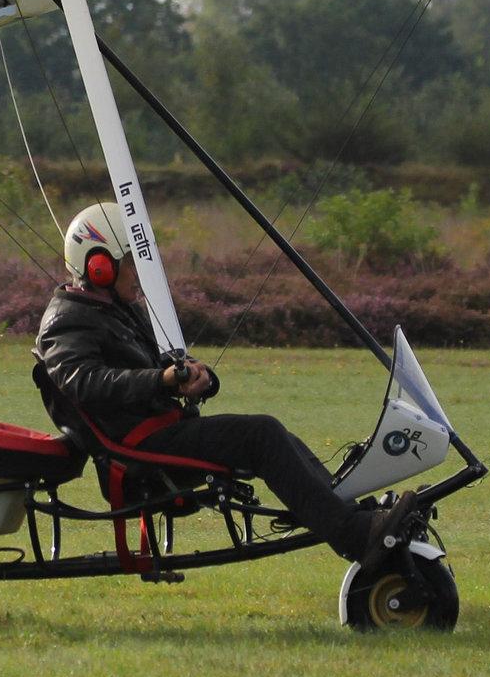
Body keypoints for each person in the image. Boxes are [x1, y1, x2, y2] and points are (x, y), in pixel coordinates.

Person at [34, 202, 420, 576]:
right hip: (138, 454)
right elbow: (83, 381)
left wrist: (194, 377)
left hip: (158, 435)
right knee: (262, 434)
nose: (141, 272)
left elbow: (152, 367)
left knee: (274, 435)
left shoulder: (114, 309)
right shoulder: (66, 321)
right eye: (132, 260)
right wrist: (162, 380)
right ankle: (356, 534)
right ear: (97, 266)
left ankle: (353, 517)